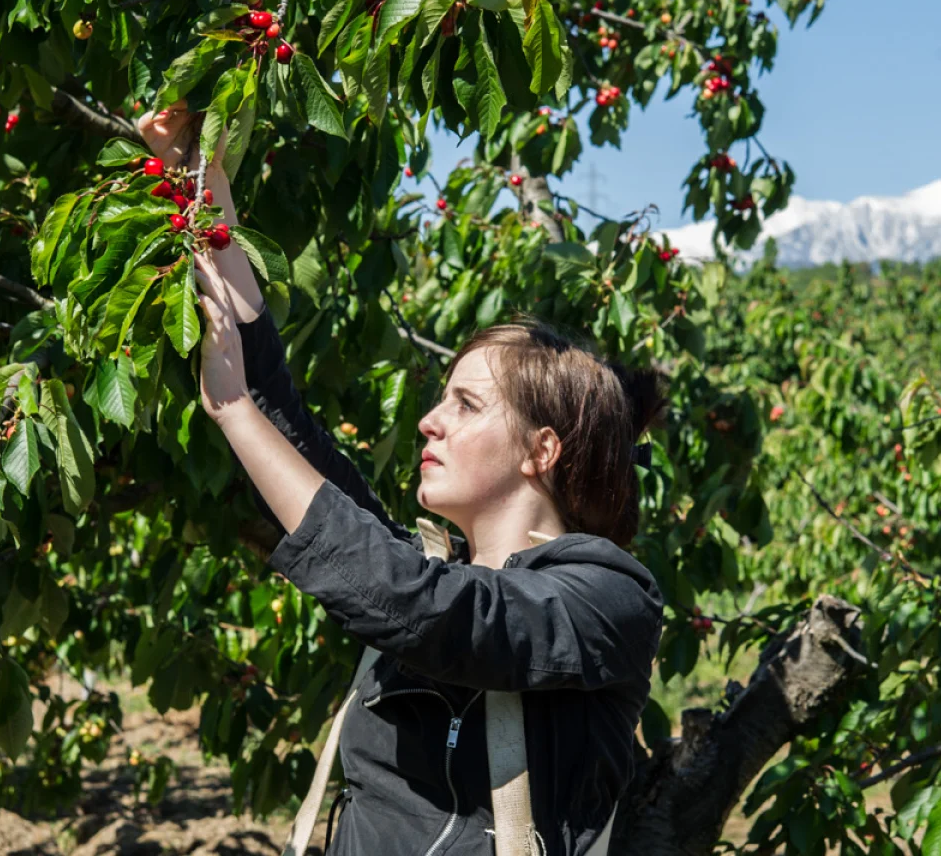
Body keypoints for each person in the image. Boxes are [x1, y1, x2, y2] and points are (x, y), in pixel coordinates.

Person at [137, 104, 665, 856]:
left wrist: (234, 412)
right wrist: (203, 186)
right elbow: (286, 428)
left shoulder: (608, 597)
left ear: (541, 450)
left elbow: (431, 608)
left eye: (466, 405)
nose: (428, 421)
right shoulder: (425, 569)